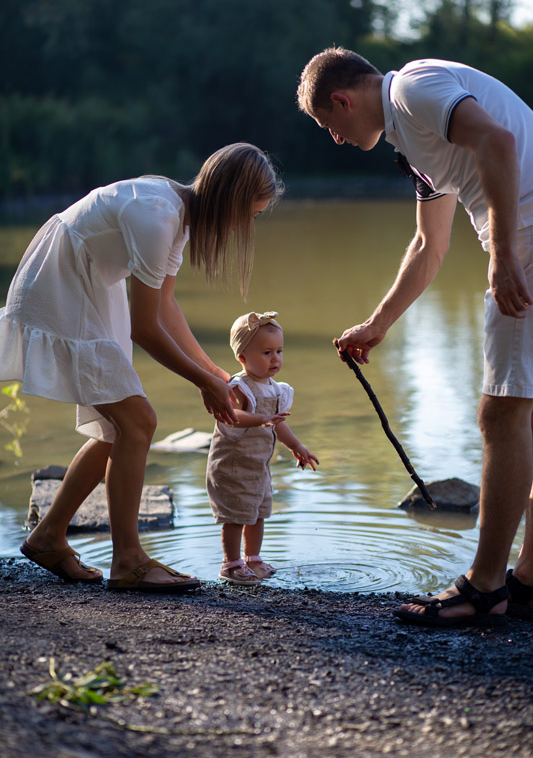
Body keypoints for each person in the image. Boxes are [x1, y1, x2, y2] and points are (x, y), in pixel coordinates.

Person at [297, 46, 533, 627]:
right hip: (521, 240)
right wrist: (377, 324)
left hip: (528, 239)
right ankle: (526, 581)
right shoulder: (415, 140)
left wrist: (503, 256)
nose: (336, 139)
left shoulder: (413, 89)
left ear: (342, 100)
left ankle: (483, 587)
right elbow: (430, 245)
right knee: (524, 416)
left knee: (501, 417)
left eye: (330, 125)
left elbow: (499, 142)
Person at [0, 142, 282, 593]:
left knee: (119, 427)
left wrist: (218, 374)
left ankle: (48, 536)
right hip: (65, 279)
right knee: (138, 421)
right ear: (229, 198)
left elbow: (166, 307)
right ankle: (128, 560)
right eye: (250, 213)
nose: (247, 224)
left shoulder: (179, 216)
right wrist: (203, 382)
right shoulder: (158, 217)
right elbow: (144, 328)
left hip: (92, 280)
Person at [206, 311, 319, 585]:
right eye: (266, 352)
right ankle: (230, 564)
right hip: (233, 464)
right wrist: (262, 419)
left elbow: (278, 425)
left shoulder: (276, 390)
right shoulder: (239, 388)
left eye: (279, 351)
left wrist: (297, 446)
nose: (275, 358)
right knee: (235, 514)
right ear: (242, 357)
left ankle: (252, 558)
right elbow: (233, 416)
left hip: (258, 466)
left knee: (257, 513)